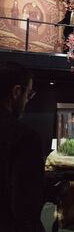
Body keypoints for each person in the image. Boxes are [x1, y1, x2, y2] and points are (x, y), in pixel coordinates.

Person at [0, 61, 45, 231]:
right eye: (29, 94)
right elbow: (25, 208)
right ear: (16, 92)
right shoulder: (25, 137)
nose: (27, 101)